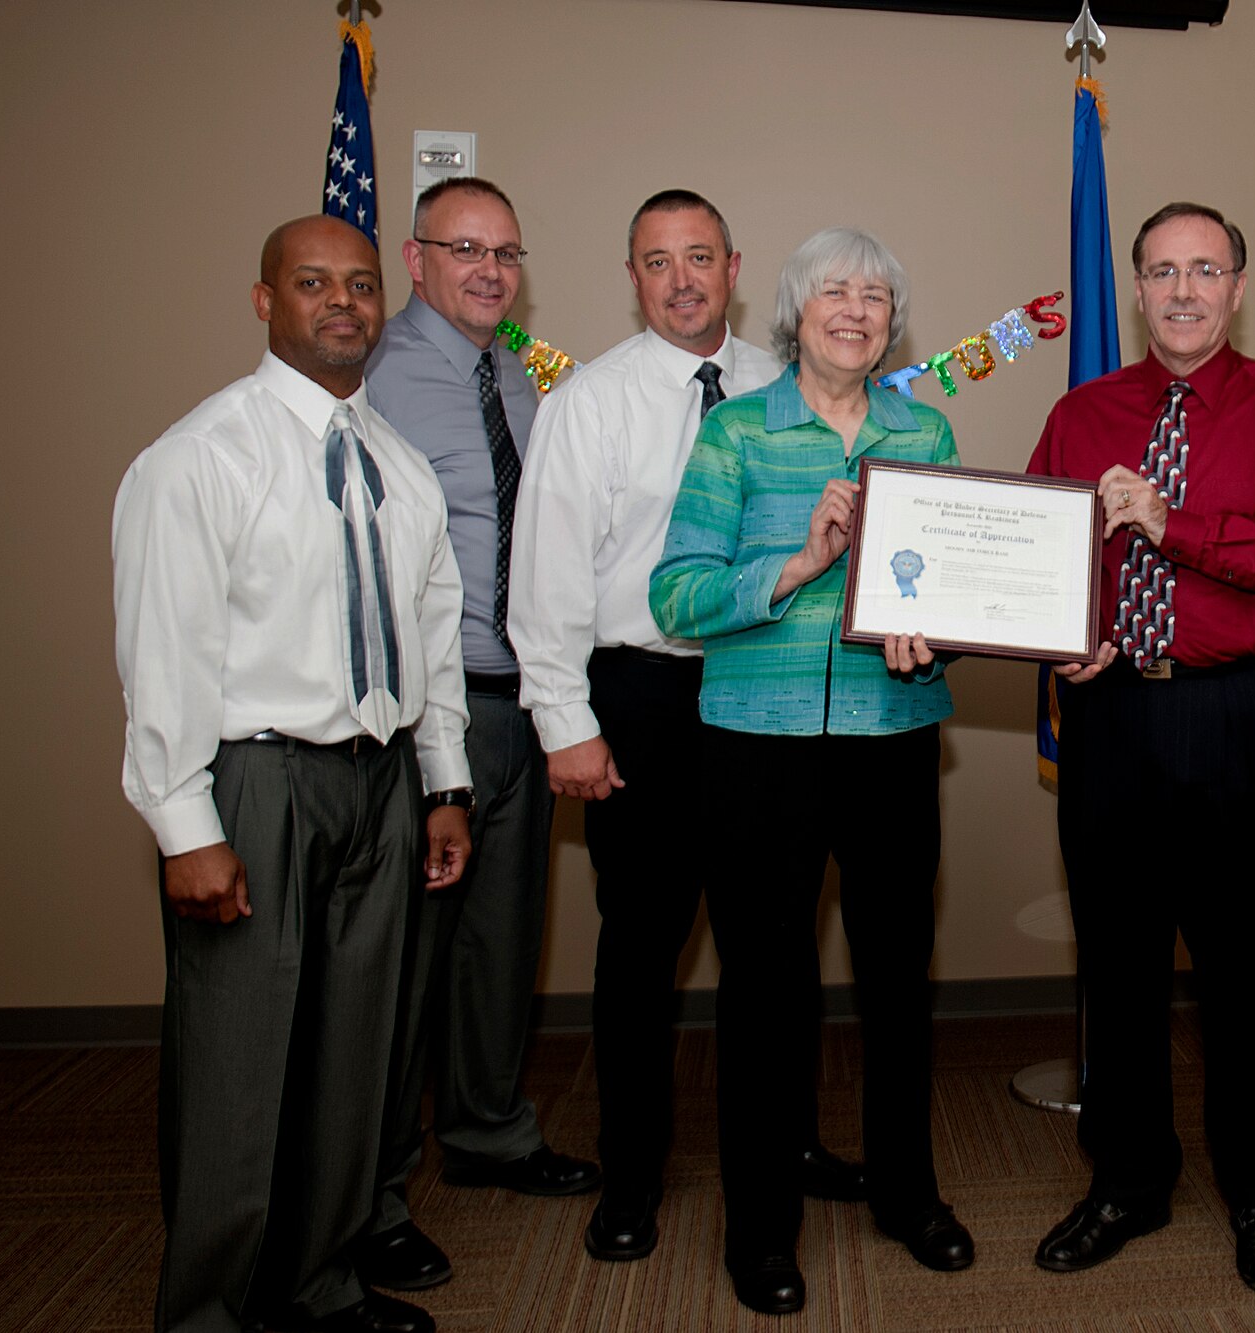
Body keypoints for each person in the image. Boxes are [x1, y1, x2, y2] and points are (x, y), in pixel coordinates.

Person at [113, 214, 473, 1333]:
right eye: (312, 282)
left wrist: (444, 780)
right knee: (237, 1065)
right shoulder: (199, 458)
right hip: (252, 784)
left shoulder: (401, 469)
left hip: (379, 785)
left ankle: (317, 1287)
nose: (342, 303)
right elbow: (163, 647)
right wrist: (185, 824)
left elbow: (434, 634)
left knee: (351, 1058)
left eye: (360, 284)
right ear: (263, 299)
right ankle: (210, 1311)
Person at [507, 190, 863, 1268]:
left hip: (766, 691)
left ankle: (785, 1141)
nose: (680, 279)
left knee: (776, 947)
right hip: (646, 701)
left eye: (698, 257)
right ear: (632, 275)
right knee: (641, 950)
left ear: (734, 266)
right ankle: (632, 1174)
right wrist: (566, 723)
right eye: (657, 262)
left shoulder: (785, 387)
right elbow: (547, 577)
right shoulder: (590, 402)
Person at [1027, 202, 1255, 1293]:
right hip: (1112, 715)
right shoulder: (1082, 411)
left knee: (1245, 970)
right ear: (1135, 288)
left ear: (1237, 286)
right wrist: (1057, 645)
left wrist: (1174, 525)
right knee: (1114, 962)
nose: (1180, 291)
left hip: (1236, 717)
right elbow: (1034, 554)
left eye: (1203, 269)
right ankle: (1125, 1179)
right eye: (1160, 271)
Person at [651, 225, 973, 1316]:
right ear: (793, 310)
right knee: (765, 996)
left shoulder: (921, 431)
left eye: (876, 295)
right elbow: (675, 595)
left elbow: (953, 590)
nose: (856, 308)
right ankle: (760, 1231)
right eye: (834, 290)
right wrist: (796, 564)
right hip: (757, 754)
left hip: (892, 744)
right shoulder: (737, 434)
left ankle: (905, 1193)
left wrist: (938, 630)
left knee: (896, 982)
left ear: (892, 322)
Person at [358, 177, 598, 1296]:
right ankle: (370, 1191)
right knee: (397, 962)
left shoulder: (524, 375)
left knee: (500, 942)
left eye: (506, 251)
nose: (491, 271)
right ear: (416, 259)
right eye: (466, 249)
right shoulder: (368, 372)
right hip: (416, 712)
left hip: (522, 699)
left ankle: (490, 1131)